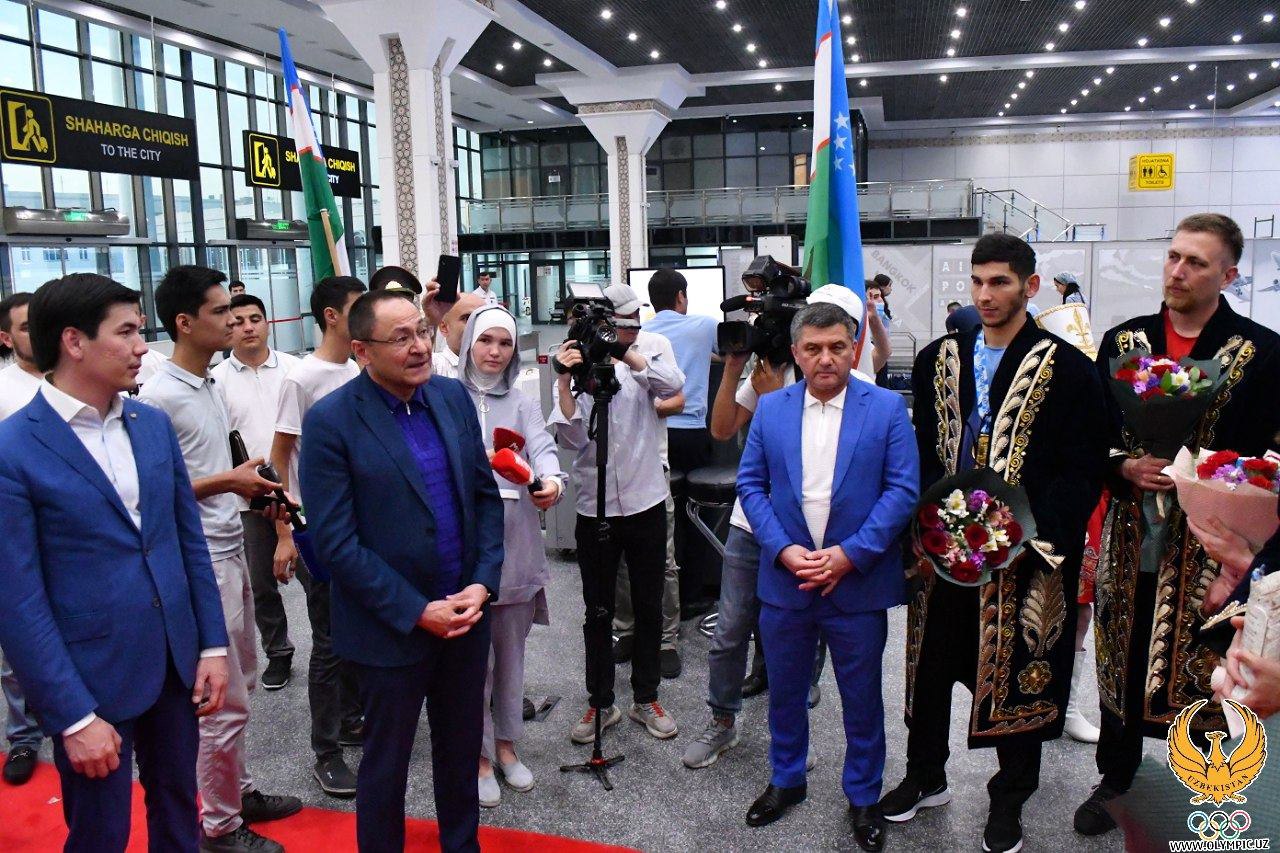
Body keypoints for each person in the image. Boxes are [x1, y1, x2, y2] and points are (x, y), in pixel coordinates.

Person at [883, 234, 1108, 853]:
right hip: (944, 548)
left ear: (1029, 286)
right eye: (978, 281)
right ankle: (925, 776)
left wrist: (1027, 530)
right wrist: (921, 526)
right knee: (929, 671)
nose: (986, 295)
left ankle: (1009, 800)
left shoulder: (1069, 368)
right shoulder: (939, 358)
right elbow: (925, 449)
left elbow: (1082, 468)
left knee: (1022, 676)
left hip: (1024, 557)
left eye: (1001, 282)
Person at [0, 273, 230, 851]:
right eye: (125, 332)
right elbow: (17, 600)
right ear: (74, 341)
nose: (142, 347)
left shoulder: (150, 425)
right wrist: (72, 716)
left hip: (175, 664)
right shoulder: (14, 449)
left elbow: (186, 542)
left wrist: (211, 645)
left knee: (179, 811)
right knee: (100, 832)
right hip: (89, 676)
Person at [1076, 213, 1280, 836]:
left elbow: (1270, 452)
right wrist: (1123, 465)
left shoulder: (1262, 351)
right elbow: (1092, 432)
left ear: (1229, 274)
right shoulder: (1125, 341)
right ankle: (1116, 777)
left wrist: (1215, 477)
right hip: (1129, 531)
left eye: (1196, 262)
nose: (1178, 271)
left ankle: (1208, 784)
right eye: (1173, 257)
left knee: (1206, 658)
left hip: (1214, 543)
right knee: (1122, 645)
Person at [300, 290, 504, 853]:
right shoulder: (331, 421)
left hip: (464, 616)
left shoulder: (451, 397)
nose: (419, 347)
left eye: (421, 331)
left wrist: (483, 583)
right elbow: (336, 544)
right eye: (401, 338)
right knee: (385, 765)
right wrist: (416, 611)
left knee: (459, 753)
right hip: (388, 628)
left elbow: (484, 498)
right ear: (362, 351)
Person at [736, 302, 919, 852]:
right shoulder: (772, 409)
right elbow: (751, 485)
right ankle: (786, 778)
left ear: (853, 349)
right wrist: (783, 549)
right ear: (796, 353)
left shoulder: (886, 408)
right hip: (787, 579)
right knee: (785, 691)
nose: (826, 359)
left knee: (862, 698)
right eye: (813, 349)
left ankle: (863, 795)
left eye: (837, 347)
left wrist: (850, 555)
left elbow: (902, 490)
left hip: (856, 583)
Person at [139, 266, 303, 852]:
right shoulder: (159, 397)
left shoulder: (206, 382)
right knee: (220, 699)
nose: (233, 321)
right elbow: (152, 495)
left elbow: (209, 471)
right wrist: (229, 481)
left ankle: (236, 791)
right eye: (220, 312)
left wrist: (247, 485)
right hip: (202, 557)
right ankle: (220, 826)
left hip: (228, 543)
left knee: (241, 684)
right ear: (185, 323)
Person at [682, 284, 868, 773]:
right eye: (810, 339)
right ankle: (722, 720)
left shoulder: (855, 385)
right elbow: (722, 429)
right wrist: (733, 368)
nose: (822, 354)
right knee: (730, 630)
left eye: (834, 340)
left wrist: (776, 400)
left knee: (804, 636)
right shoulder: (770, 369)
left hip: (812, 532)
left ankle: (794, 736)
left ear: (850, 339)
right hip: (753, 524)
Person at [550, 283, 685, 744]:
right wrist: (563, 380)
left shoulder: (648, 353)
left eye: (627, 324)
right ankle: (600, 701)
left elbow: (674, 386)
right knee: (597, 610)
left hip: (646, 498)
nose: (625, 329)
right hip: (595, 505)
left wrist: (625, 352)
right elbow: (571, 439)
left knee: (648, 604)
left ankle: (646, 696)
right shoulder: (577, 362)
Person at [456, 304, 565, 808]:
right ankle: (478, 756)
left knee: (510, 656)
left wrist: (552, 482)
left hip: (515, 540)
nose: (495, 352)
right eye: (486, 341)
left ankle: (506, 745)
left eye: (504, 343)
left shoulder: (522, 401)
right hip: (462, 541)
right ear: (468, 345)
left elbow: (543, 450)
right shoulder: (446, 396)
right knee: (471, 662)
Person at [268, 275, 366, 798]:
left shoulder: (355, 367)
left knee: (355, 630)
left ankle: (352, 718)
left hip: (357, 526)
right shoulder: (301, 378)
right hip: (318, 531)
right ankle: (326, 752)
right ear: (331, 315)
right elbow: (279, 459)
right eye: (358, 307)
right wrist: (284, 532)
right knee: (328, 641)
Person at [211, 294, 301, 692]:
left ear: (268, 323)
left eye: (255, 318)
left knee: (318, 578)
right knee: (262, 585)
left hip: (298, 493)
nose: (248, 327)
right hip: (248, 502)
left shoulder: (295, 371)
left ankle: (333, 652)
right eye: (238, 321)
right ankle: (278, 652)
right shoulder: (217, 381)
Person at [0, 292, 47, 785]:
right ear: (6, 337)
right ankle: (24, 736)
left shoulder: (71, 381)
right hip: (16, 530)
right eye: (27, 326)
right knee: (17, 642)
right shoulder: (3, 389)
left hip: (69, 530)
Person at [431, 292, 487, 379]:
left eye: (483, 318)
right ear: (444, 327)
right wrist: (429, 320)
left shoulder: (501, 368)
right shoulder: (435, 367)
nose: (478, 325)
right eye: (467, 318)